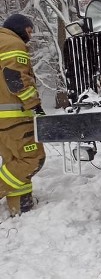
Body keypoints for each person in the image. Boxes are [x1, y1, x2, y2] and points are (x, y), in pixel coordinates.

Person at [0, 14, 45, 216]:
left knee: (13, 162)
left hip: (4, 122)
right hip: (15, 118)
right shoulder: (13, 44)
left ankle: (19, 207)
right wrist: (34, 105)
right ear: (19, 27)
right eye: (29, 30)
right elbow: (16, 79)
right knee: (33, 158)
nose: (30, 35)